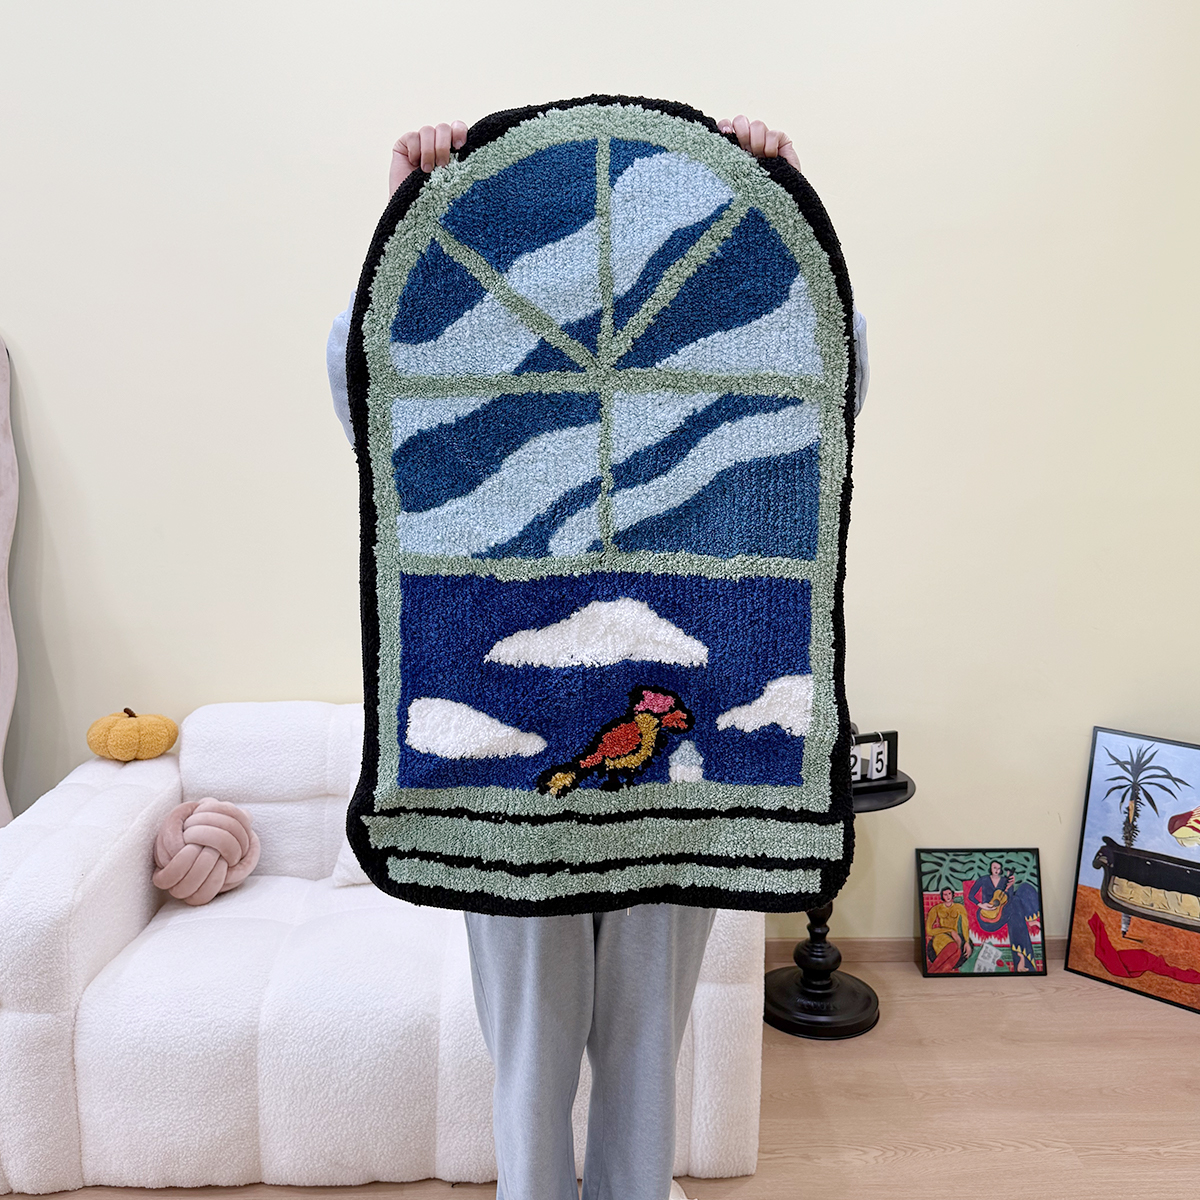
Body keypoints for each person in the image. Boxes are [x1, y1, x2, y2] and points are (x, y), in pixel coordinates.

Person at [328, 112, 867, 1200]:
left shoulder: (710, 408)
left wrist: (775, 217)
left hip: (670, 798)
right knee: (533, 1061)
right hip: (512, 797)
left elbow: (825, 394)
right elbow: (377, 397)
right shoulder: (480, 411)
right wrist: (408, 224)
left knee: (643, 1056)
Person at [968, 860, 1042, 973]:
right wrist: (981, 905)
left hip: (1003, 912)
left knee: (1023, 890)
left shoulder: (1004, 880)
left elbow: (1009, 899)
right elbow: (971, 895)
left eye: (998, 868)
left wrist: (1010, 887)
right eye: (994, 868)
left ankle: (1021, 960)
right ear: (990, 868)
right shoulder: (984, 879)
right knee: (1015, 907)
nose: (996, 870)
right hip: (987, 917)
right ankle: (1023, 957)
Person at [925, 886, 971, 972]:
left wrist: (967, 942)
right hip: (941, 936)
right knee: (953, 947)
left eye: (949, 894)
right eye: (945, 894)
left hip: (955, 936)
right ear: (942, 896)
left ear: (953, 895)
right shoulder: (936, 909)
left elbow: (965, 925)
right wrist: (950, 931)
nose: (948, 896)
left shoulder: (959, 907)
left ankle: (933, 971)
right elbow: (929, 930)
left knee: (957, 952)